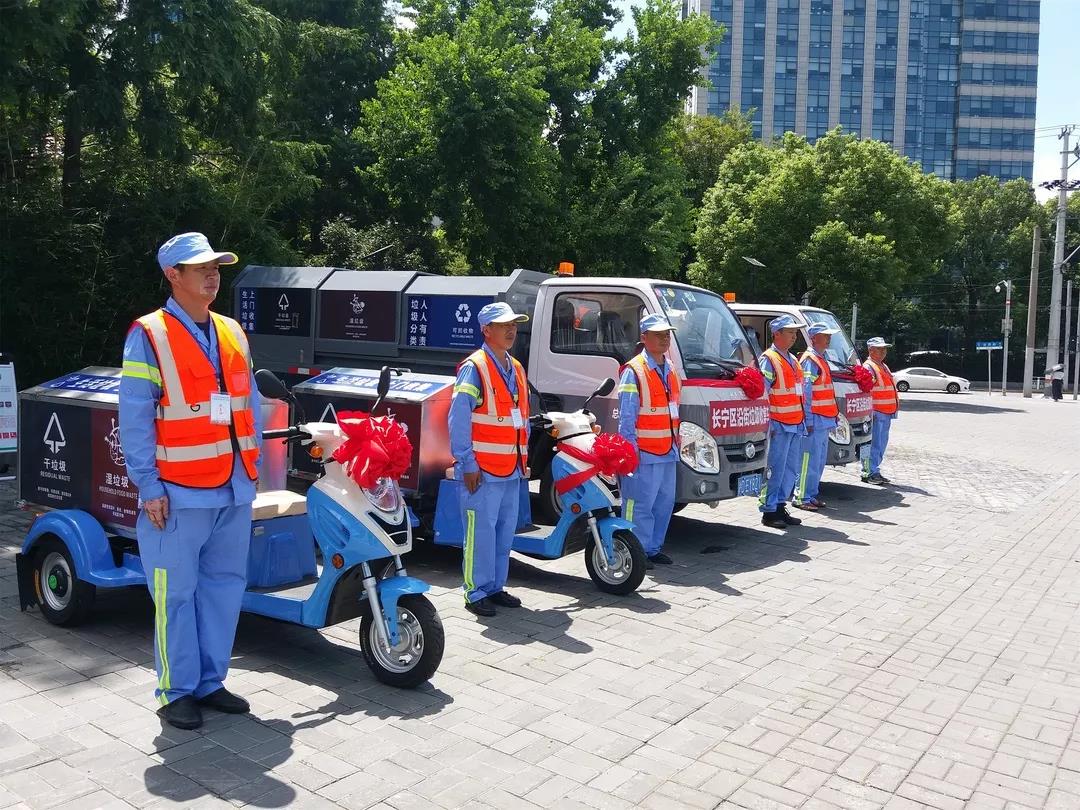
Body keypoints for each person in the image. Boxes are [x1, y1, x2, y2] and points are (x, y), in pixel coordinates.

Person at [119, 232, 263, 730]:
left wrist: (254, 466)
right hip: (177, 491)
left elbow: (251, 405)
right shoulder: (149, 334)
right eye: (199, 267)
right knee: (174, 593)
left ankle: (210, 681)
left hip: (233, 487)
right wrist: (148, 485)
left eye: (216, 267)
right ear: (172, 275)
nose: (212, 274)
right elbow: (135, 416)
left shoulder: (231, 331)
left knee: (224, 587)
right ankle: (174, 689)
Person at [448, 302, 531, 617]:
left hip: (510, 468)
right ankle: (475, 591)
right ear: (486, 330)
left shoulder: (517, 367)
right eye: (503, 325)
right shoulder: (475, 366)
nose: (511, 330)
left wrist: (523, 461)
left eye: (513, 324)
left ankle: (495, 586)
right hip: (481, 470)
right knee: (479, 532)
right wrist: (467, 463)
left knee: (503, 532)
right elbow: (458, 419)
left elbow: (520, 418)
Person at [617, 314, 681, 568]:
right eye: (659, 334)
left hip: (667, 450)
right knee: (638, 505)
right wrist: (629, 453)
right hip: (643, 453)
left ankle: (653, 548)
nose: (665, 338)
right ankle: (635, 552)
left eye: (667, 334)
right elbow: (626, 418)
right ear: (644, 338)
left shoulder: (671, 368)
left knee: (664, 505)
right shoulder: (634, 371)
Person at [758, 315, 807, 529]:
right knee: (775, 469)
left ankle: (779, 506)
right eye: (790, 332)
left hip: (794, 422)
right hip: (778, 424)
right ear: (777, 334)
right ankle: (769, 511)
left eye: (795, 333)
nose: (794, 336)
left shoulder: (793, 359)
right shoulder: (769, 359)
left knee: (790, 469)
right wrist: (768, 426)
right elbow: (763, 394)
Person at [792, 323, 840, 511]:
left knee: (817, 461)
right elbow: (806, 392)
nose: (828, 338)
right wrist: (808, 420)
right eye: (824, 335)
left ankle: (810, 495)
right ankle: (801, 496)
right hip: (815, 420)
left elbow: (825, 392)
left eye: (829, 335)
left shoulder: (820, 359)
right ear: (813, 338)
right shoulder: (811, 359)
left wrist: (833, 416)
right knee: (807, 461)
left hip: (823, 419)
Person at [862, 336, 898, 485]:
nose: (884, 351)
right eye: (880, 348)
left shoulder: (882, 366)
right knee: (872, 444)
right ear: (871, 350)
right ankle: (868, 472)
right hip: (876, 413)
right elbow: (865, 390)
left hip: (885, 412)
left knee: (880, 444)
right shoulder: (869, 367)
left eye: (884, 349)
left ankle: (874, 471)